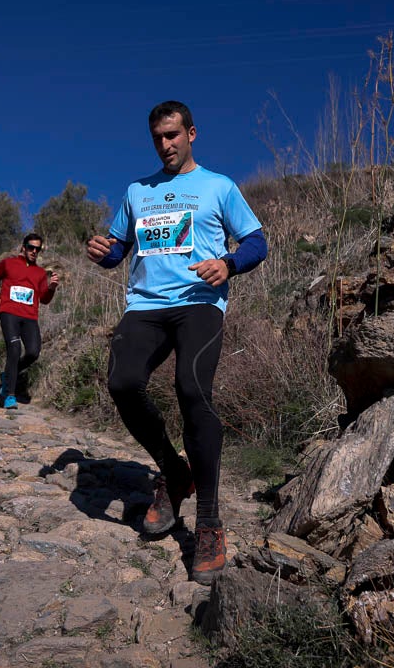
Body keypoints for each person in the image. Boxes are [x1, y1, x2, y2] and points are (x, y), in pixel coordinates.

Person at [86, 100, 267, 585]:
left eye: (173, 135)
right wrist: (104, 252)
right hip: (145, 306)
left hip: (198, 303)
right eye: (157, 138)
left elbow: (256, 241)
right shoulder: (136, 191)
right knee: (123, 382)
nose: (165, 145)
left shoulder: (218, 186)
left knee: (193, 392)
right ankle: (173, 470)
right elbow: (120, 248)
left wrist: (228, 264)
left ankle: (208, 523)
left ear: (191, 133)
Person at [0, 233, 60, 410]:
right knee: (15, 348)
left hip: (30, 317)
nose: (34, 251)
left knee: (33, 352)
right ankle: (9, 395)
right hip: (8, 313)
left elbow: (44, 299)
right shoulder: (8, 263)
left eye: (37, 249)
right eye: (31, 247)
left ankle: (9, 375)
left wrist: (51, 288)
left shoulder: (40, 273)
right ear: (23, 247)